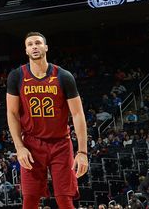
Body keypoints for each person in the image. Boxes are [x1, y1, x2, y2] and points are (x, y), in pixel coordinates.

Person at [5, 32, 88, 209]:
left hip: (61, 144)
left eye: (38, 43)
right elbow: (12, 113)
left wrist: (82, 152)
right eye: (30, 44)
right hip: (32, 144)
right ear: (26, 50)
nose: (34, 46)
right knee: (29, 199)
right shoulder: (17, 76)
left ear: (46, 47)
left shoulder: (64, 76)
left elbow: (78, 114)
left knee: (65, 199)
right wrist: (19, 148)